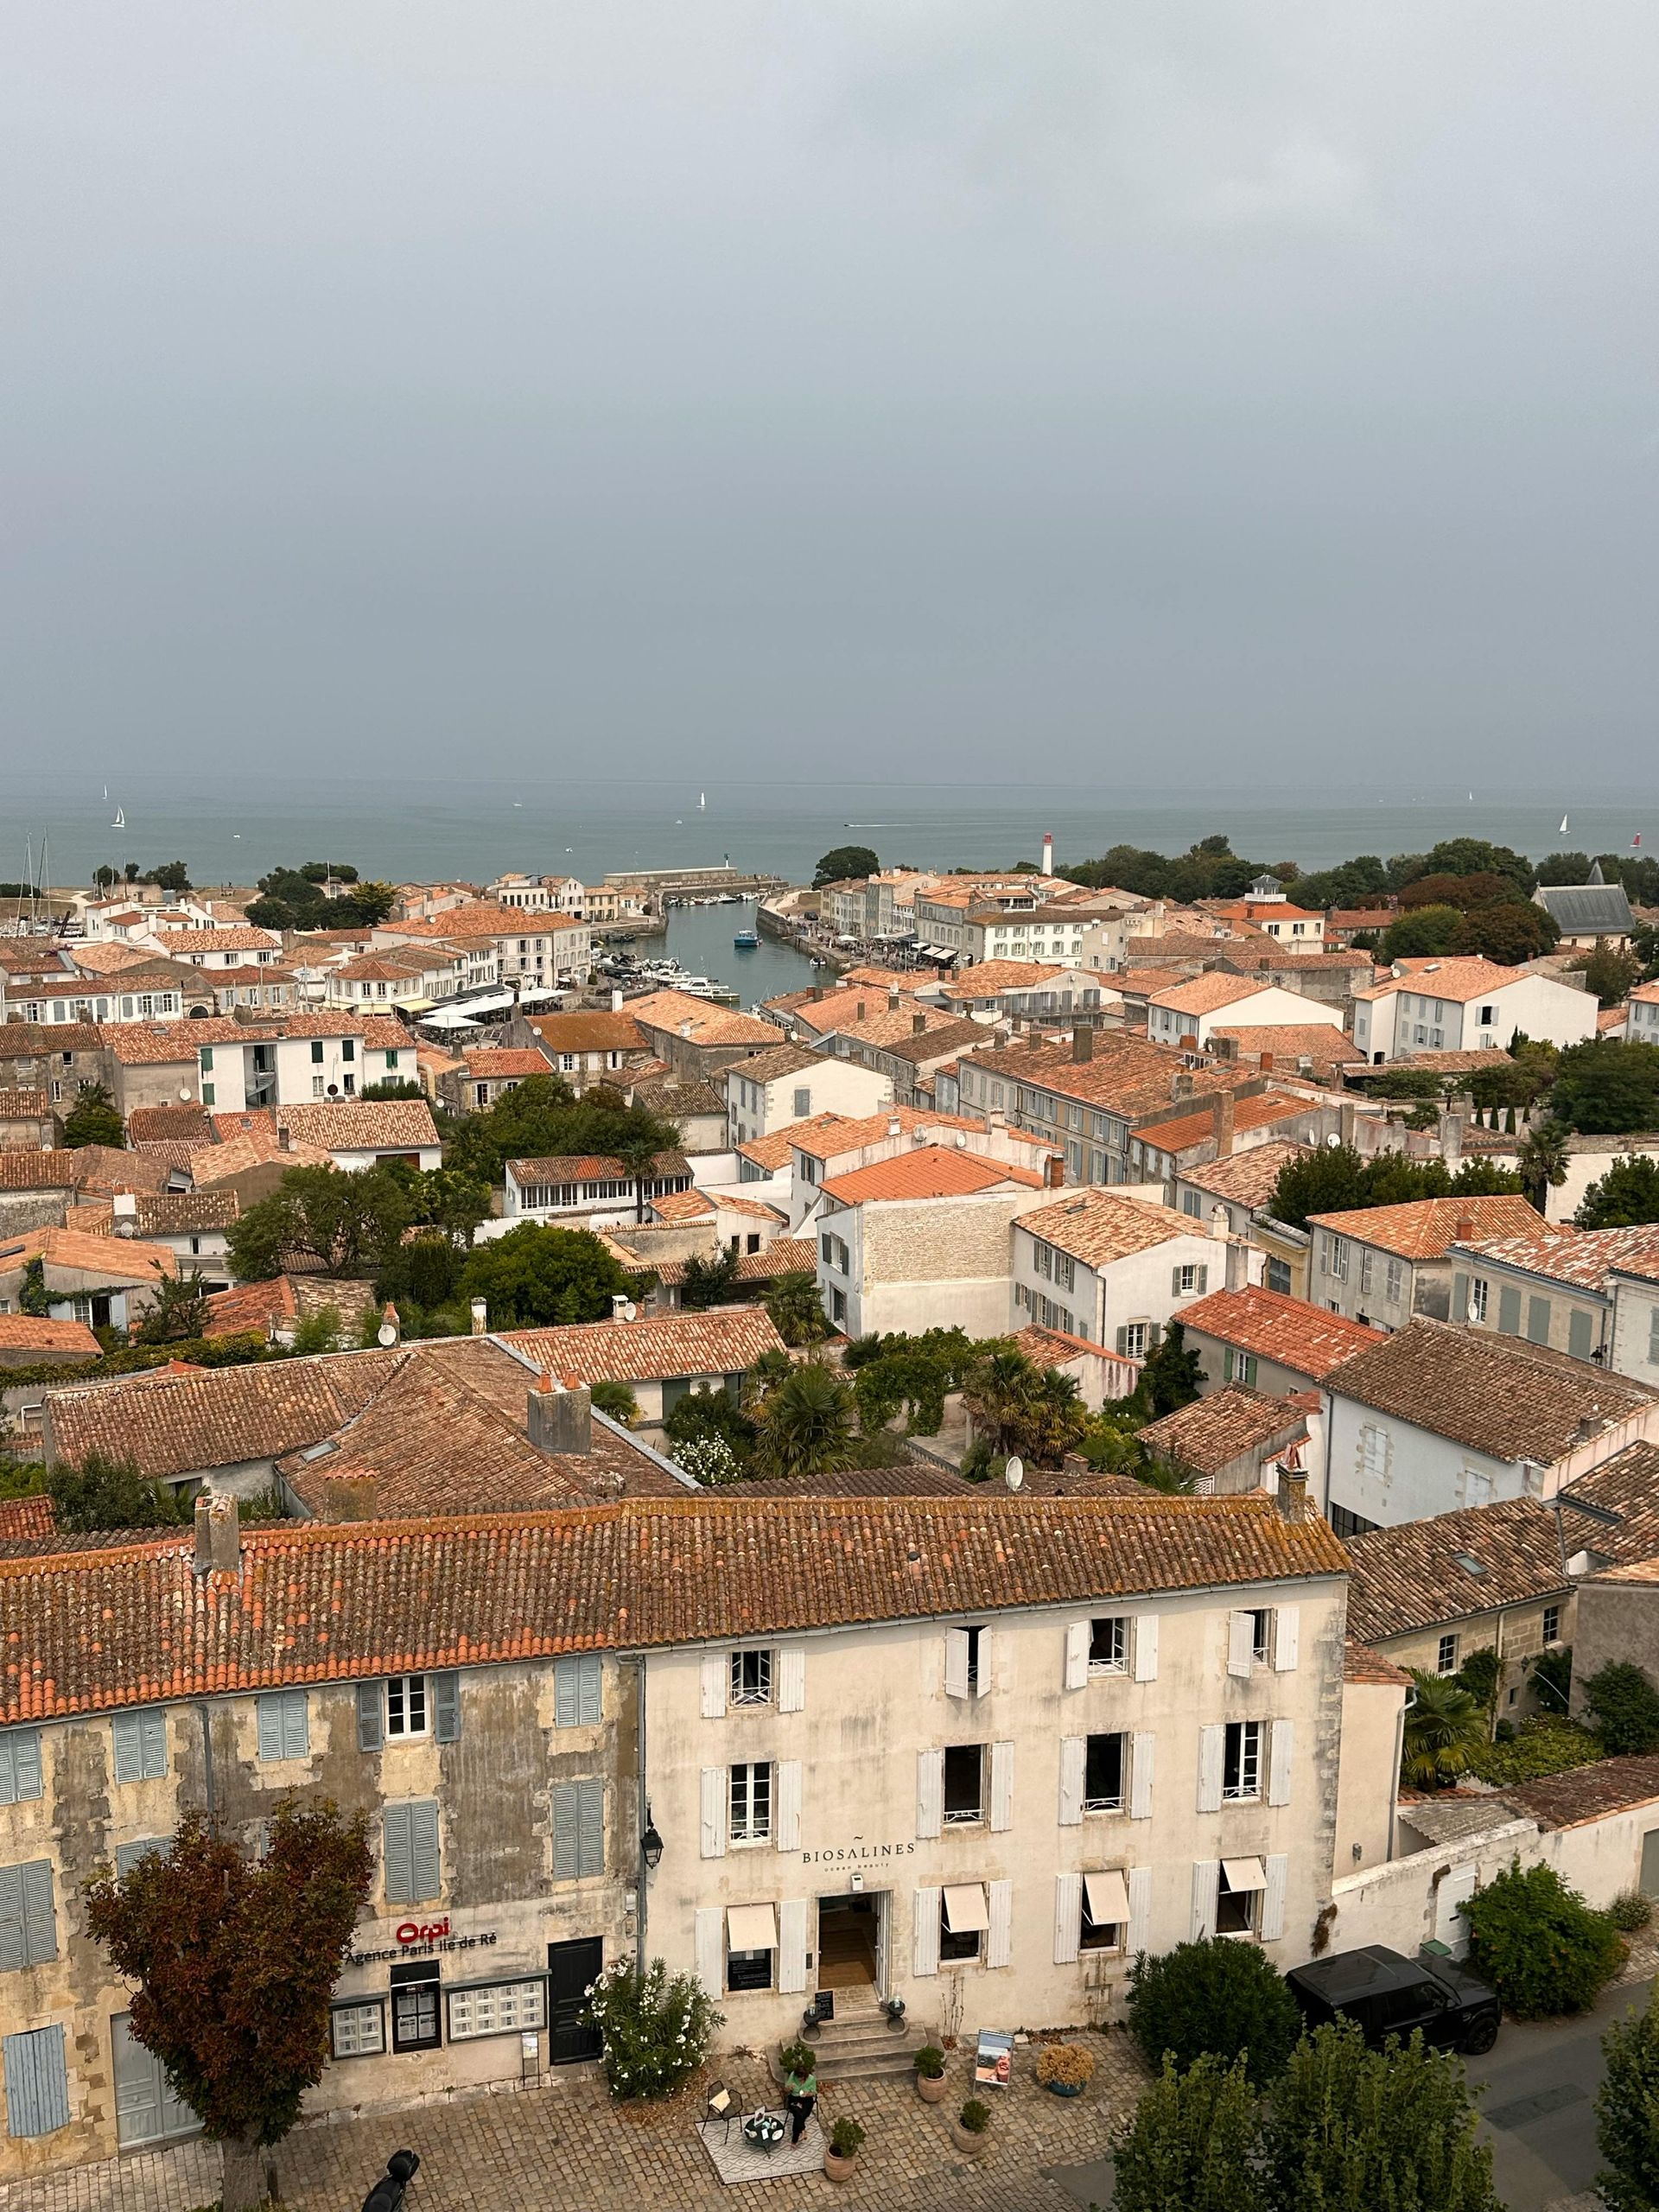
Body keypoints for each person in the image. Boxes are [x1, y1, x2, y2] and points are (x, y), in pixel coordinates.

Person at [783, 2052, 817, 2145]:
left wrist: (807, 2094)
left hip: (806, 2099)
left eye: (802, 2079)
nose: (800, 2080)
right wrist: (789, 2088)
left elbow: (814, 2092)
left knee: (800, 2116)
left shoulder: (811, 2079)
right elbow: (785, 2089)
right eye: (798, 2078)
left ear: (805, 2076)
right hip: (794, 2098)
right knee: (798, 2114)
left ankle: (794, 2140)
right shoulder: (793, 2075)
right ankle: (802, 2131)